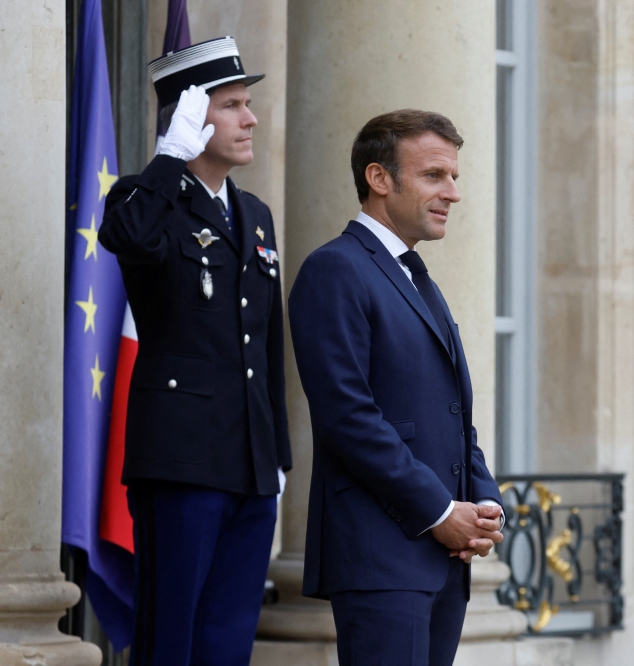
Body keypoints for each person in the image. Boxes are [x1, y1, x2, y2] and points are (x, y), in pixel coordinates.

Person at [287, 109, 505, 666]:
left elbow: (453, 414)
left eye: (454, 176)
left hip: (442, 562)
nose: (452, 192)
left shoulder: (416, 275)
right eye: (434, 175)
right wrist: (440, 511)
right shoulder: (335, 268)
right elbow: (348, 418)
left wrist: (484, 502)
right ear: (379, 178)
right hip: (381, 557)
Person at [99, 37, 291, 665]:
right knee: (170, 640)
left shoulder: (254, 214)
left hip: (250, 464)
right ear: (187, 117)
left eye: (247, 103)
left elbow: (267, 341)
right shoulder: (144, 200)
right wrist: (170, 157)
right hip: (181, 462)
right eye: (231, 105)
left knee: (227, 643)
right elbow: (127, 236)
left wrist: (278, 456)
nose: (250, 118)